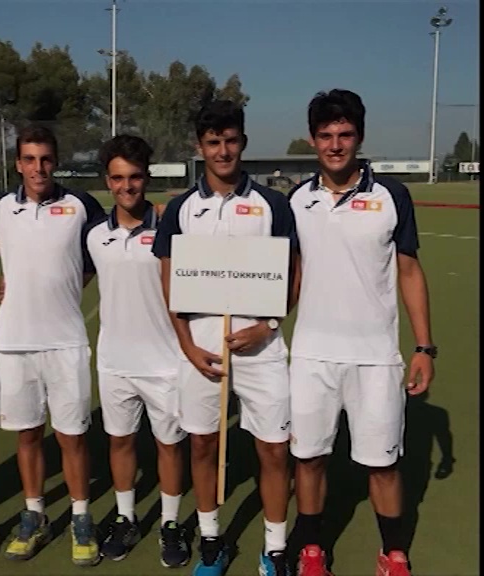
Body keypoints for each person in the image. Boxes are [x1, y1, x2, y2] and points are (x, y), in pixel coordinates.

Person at [286, 89, 435, 576]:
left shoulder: (391, 195)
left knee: (383, 464)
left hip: (375, 358)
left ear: (359, 136)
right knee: (308, 459)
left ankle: (393, 554)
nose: (335, 144)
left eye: (345, 134)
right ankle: (311, 550)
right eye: (326, 135)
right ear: (312, 140)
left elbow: (409, 270)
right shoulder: (298, 199)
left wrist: (423, 347)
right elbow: (292, 276)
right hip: (311, 356)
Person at [151, 100, 297, 576]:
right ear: (200, 146)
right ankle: (212, 540)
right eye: (213, 142)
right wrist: (187, 344)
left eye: (230, 140)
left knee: (274, 447)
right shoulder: (181, 209)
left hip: (262, 344)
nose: (223, 150)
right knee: (201, 445)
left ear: (243, 142)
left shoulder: (273, 204)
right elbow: (169, 284)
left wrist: (269, 326)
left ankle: (274, 547)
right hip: (201, 348)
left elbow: (295, 276)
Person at [0, 124, 106, 566]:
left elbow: (101, 252)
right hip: (15, 343)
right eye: (30, 160)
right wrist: (15, 276)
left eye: (46, 160)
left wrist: (69, 283)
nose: (39, 168)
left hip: (66, 342)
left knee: (73, 436)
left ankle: (80, 516)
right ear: (18, 164)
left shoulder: (80, 205)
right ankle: (35, 513)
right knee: (28, 434)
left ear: (56, 162)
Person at [81, 135, 191, 568]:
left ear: (147, 177)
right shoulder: (94, 236)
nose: (128, 186)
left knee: (169, 446)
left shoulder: (170, 229)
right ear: (108, 181)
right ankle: (126, 518)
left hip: (165, 361)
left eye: (135, 177)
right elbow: (74, 280)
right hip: (114, 362)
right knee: (120, 441)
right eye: (119, 178)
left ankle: (169, 522)